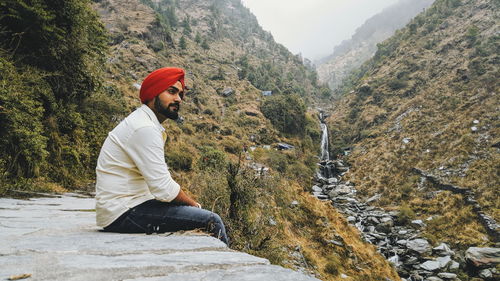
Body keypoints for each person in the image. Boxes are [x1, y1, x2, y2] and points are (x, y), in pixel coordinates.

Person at [95, 67, 228, 244]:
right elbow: (163, 189)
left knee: (196, 216)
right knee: (211, 220)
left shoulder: (143, 122)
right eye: (171, 92)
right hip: (122, 212)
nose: (178, 99)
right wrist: (194, 206)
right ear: (153, 94)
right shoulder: (144, 128)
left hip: (125, 207)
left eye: (180, 94)